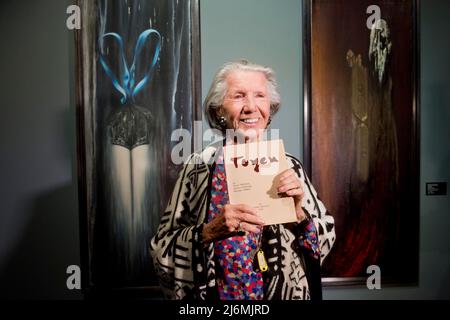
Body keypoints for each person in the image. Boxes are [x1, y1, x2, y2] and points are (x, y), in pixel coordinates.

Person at [150, 59, 335, 300]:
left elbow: (323, 240)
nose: (251, 107)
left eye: (260, 96)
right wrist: (206, 232)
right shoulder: (197, 167)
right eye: (238, 96)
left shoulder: (290, 166)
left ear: (270, 107)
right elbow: (161, 249)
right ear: (218, 110)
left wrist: (299, 213)